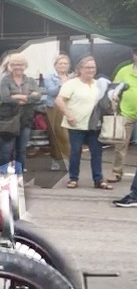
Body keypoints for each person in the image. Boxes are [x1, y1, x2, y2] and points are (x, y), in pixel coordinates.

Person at [59, 55, 106, 189]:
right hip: (76, 124)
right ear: (80, 69)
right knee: (75, 152)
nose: (91, 70)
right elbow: (59, 100)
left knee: (97, 152)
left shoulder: (99, 84)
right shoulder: (71, 83)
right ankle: (73, 178)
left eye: (93, 67)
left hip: (94, 125)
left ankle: (98, 179)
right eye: (88, 67)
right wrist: (68, 115)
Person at [0, 55, 38, 176]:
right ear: (10, 66)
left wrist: (17, 96)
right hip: (8, 118)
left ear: (25, 66)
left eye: (20, 64)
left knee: (22, 149)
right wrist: (27, 97)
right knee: (6, 149)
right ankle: (2, 172)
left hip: (25, 119)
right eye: (14, 64)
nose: (18, 67)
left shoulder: (31, 81)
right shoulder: (5, 80)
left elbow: (37, 97)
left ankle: (19, 174)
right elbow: (5, 98)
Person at [111, 48, 137, 185]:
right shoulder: (124, 71)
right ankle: (116, 172)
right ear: (134, 55)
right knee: (120, 145)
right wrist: (114, 95)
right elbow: (114, 88)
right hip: (126, 112)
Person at [44, 53, 71, 172]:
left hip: (68, 107)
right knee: (55, 134)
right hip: (53, 108)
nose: (63, 65)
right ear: (55, 65)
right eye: (60, 63)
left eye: (65, 63)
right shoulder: (50, 77)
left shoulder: (72, 76)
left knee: (66, 135)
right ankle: (55, 159)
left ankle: (67, 159)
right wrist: (62, 83)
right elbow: (51, 92)